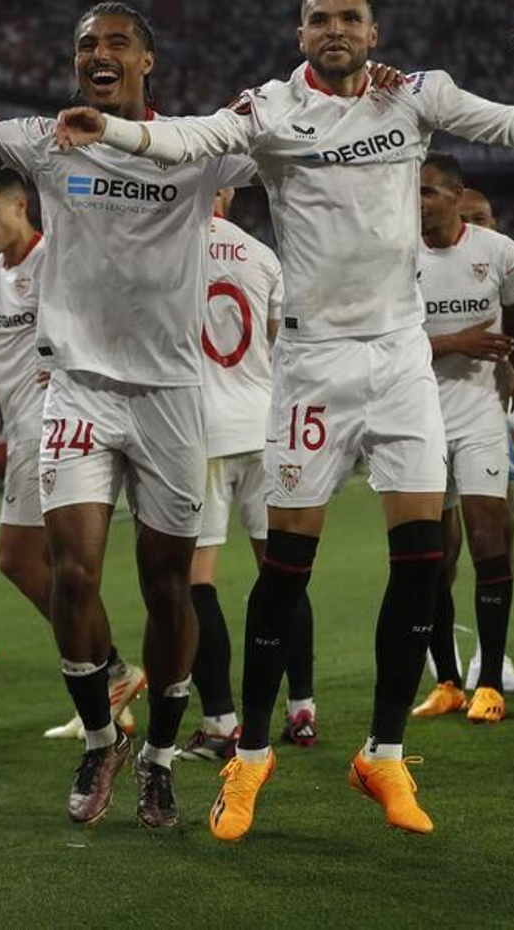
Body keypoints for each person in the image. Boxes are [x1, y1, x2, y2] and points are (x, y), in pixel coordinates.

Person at [54, 0, 514, 838]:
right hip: (312, 365)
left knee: (422, 560)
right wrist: (119, 129)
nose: (335, 30)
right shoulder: (272, 110)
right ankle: (248, 760)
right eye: (320, 19)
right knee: (286, 572)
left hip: (400, 362)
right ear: (300, 33)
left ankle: (383, 758)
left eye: (349, 18)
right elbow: (188, 138)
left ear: (373, 30)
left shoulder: (415, 99)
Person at [0, 3, 254, 828]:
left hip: (172, 394)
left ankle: (162, 759)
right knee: (70, 570)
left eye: (116, 43)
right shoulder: (52, 139)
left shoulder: (200, 147)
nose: (99, 54)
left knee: (170, 588)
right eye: (86, 45)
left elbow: (293, 151)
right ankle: (102, 737)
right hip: (80, 392)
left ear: (148, 60)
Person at [0, 164, 144, 740]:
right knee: (32, 564)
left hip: (57, 427)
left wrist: (71, 361)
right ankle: (114, 681)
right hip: (22, 432)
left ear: (20, 205)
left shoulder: (56, 258)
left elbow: (114, 310)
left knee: (29, 561)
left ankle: (109, 674)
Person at [180, 186, 318, 762]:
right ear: (228, 194)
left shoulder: (165, 250)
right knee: (280, 572)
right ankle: (302, 709)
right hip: (263, 425)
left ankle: (220, 724)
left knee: (194, 582)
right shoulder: (262, 256)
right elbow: (282, 343)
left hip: (198, 432)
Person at [410, 152, 514, 725]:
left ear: (457, 196)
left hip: (480, 414)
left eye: (429, 192)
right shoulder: (395, 257)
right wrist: (455, 342)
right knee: (432, 558)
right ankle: (449, 682)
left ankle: (489, 683)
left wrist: (513, 366)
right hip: (417, 417)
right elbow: (386, 342)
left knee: (490, 541)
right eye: (415, 191)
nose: (419, 201)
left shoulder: (499, 254)